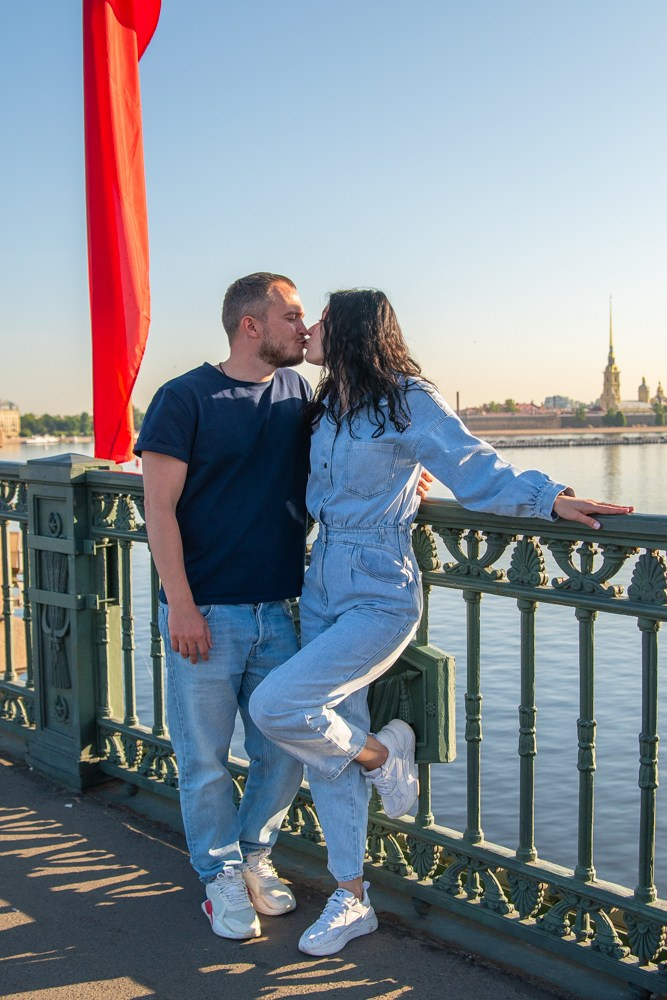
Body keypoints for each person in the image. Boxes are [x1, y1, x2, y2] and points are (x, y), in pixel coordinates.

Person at [248, 288, 634, 957]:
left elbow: (472, 466)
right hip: (321, 580)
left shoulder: (407, 399)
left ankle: (381, 755)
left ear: (353, 331)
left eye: (323, 320)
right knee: (328, 749)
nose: (309, 329)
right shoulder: (325, 406)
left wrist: (552, 499)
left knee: (276, 705)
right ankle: (352, 894)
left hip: (379, 589)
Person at [135, 272, 313, 941]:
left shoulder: (298, 392)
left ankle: (254, 856)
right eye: (291, 315)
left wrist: (405, 477)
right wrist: (181, 605)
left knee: (284, 750)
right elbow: (158, 509)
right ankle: (219, 876)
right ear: (250, 324)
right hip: (207, 612)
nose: (303, 328)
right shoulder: (183, 398)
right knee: (205, 759)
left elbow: (337, 463)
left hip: (280, 610)